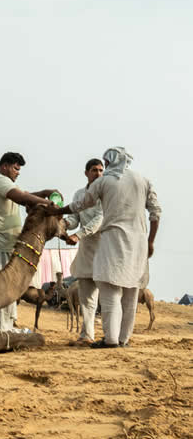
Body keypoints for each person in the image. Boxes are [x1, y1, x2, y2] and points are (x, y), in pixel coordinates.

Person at [48, 147, 161, 348]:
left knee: (110, 294)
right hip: (138, 244)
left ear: (108, 164)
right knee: (129, 295)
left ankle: (110, 340)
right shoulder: (143, 181)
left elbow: (80, 205)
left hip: (112, 243)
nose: (101, 171)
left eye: (104, 166)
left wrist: (58, 211)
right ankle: (122, 339)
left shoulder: (105, 181)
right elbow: (156, 212)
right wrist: (151, 241)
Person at [0, 152, 56, 332]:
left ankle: (6, 327)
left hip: (3, 247)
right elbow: (22, 197)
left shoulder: (7, 184)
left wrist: (43, 194)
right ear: (4, 167)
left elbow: (24, 195)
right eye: (16, 168)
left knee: (8, 288)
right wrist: (48, 204)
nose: (18, 172)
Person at [64, 158, 105, 345]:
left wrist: (78, 235)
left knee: (111, 296)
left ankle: (115, 337)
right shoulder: (80, 194)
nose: (98, 173)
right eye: (94, 170)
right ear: (86, 173)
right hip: (86, 251)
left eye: (101, 170)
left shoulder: (106, 193)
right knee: (87, 297)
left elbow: (100, 219)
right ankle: (87, 336)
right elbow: (74, 217)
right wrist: (63, 224)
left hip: (106, 249)